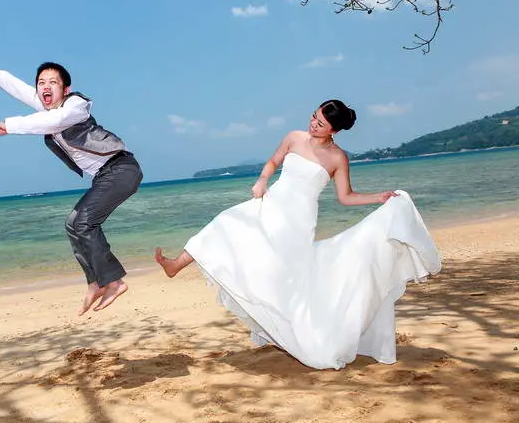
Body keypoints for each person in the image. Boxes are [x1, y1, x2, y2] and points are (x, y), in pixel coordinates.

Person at [154, 100, 442, 370]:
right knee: (224, 223)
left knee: (283, 278)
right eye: (313, 117)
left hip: (298, 222)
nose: (313, 124)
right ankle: (176, 264)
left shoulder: (337, 157)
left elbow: (346, 197)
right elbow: (272, 162)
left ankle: (288, 330)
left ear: (334, 129)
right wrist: (262, 180)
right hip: (270, 205)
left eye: (320, 123)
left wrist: (379, 197)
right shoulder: (294, 137)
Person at [0, 45, 143, 315]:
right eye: (41, 83)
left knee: (83, 222)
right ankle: (96, 283)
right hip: (104, 176)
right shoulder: (45, 107)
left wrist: (8, 125)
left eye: (52, 82)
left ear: (66, 89)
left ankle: (115, 282)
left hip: (121, 168)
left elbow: (54, 121)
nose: (45, 87)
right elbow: (16, 87)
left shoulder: (76, 106)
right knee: (74, 225)